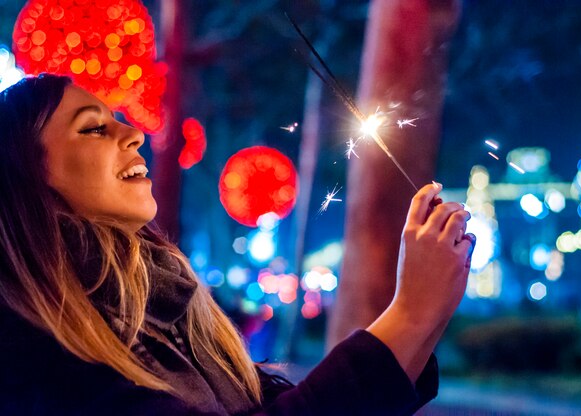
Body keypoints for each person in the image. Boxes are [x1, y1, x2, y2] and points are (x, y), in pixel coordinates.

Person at [0, 74, 475, 416]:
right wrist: (410, 314)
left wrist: (426, 309)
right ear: (26, 181)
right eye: (93, 128)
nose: (134, 133)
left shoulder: (167, 308)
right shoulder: (40, 350)